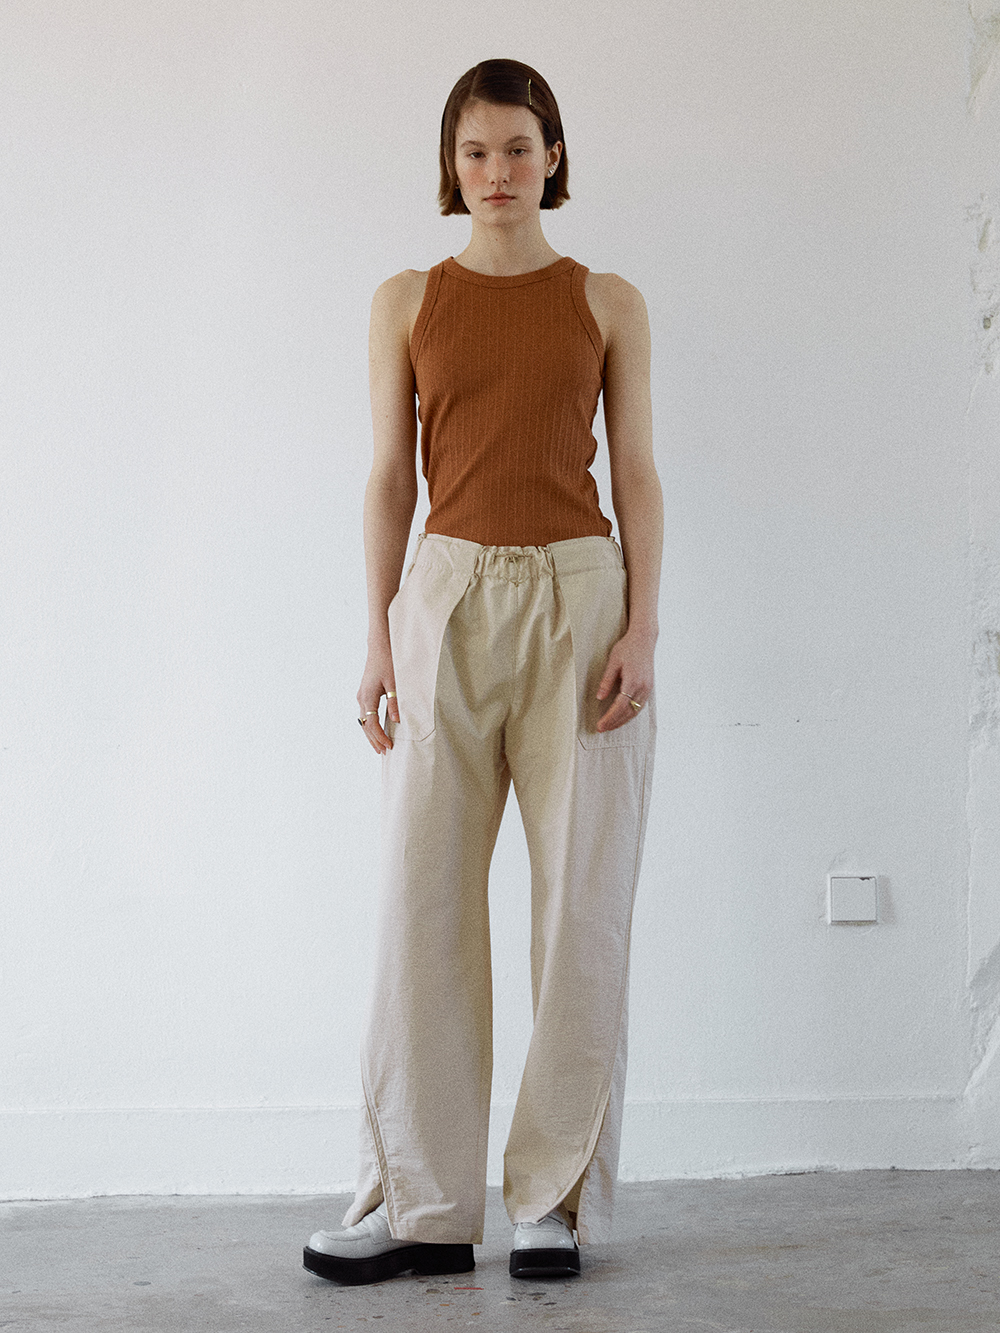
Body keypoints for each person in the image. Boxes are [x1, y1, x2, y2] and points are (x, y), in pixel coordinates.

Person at [303, 58, 662, 1287]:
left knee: (579, 908)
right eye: (474, 152)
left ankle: (549, 1201)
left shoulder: (605, 300)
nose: (496, 172)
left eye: (517, 147)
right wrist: (375, 634)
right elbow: (388, 477)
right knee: (424, 903)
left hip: (580, 598)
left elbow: (638, 469)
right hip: (445, 596)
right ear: (448, 167)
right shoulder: (407, 299)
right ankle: (421, 1205)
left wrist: (643, 625)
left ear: (553, 155)